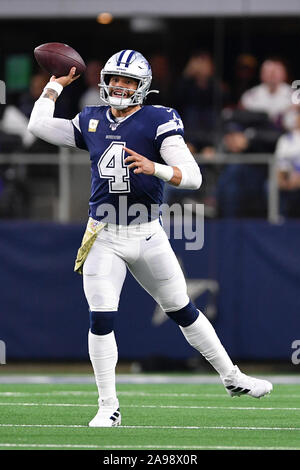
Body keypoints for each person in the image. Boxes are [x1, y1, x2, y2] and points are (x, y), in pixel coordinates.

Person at [28, 49, 272, 427]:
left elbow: (193, 177)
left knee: (182, 309)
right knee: (101, 317)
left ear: (142, 86)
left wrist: (153, 166)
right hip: (104, 233)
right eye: (114, 79)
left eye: (127, 81)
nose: (118, 86)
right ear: (104, 81)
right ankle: (108, 406)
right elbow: (39, 126)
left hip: (147, 233)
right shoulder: (91, 118)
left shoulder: (158, 119)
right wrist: (54, 85)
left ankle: (232, 377)